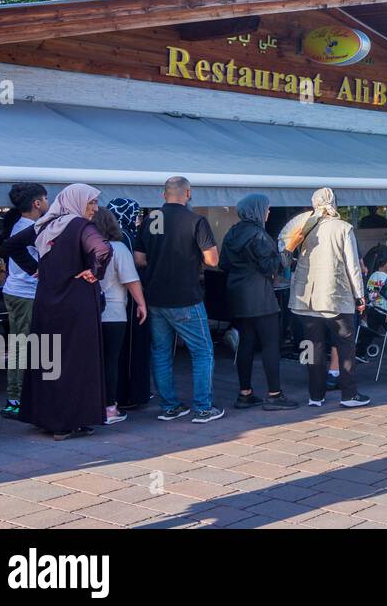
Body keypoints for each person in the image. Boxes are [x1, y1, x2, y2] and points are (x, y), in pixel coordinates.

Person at [9, 183, 111, 440]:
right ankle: (67, 423)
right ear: (77, 202)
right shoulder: (80, 227)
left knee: (47, 360)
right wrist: (94, 272)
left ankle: (45, 418)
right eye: (91, 203)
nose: (95, 209)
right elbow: (103, 249)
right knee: (74, 363)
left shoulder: (44, 225)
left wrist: (36, 267)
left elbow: (10, 246)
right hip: (76, 305)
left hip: (46, 303)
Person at [136, 176, 223, 424]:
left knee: (161, 352)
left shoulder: (152, 218)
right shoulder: (196, 221)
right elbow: (213, 260)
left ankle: (170, 407)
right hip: (185, 296)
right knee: (202, 351)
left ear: (163, 195)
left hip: (154, 296)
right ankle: (203, 408)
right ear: (188, 193)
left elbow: (139, 259)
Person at [288, 188, 369, 407]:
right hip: (336, 295)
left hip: (307, 298)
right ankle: (349, 394)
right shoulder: (343, 228)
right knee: (345, 344)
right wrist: (360, 296)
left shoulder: (302, 228)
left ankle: (315, 395)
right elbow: (353, 266)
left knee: (311, 346)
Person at [220, 194, 298, 410]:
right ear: (257, 210)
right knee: (271, 343)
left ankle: (244, 393)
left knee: (246, 343)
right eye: (267, 208)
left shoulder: (233, 232)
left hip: (237, 293)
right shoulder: (259, 235)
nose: (269, 212)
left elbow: (223, 263)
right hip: (260, 295)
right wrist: (286, 255)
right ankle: (274, 395)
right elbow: (271, 267)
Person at [0, 182, 49, 419]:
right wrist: (36, 270)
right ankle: (15, 399)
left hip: (18, 291)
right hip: (25, 293)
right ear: (37, 203)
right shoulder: (29, 228)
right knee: (21, 346)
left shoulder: (23, 225)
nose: (49, 203)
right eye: (46, 199)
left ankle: (20, 396)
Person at [93, 207, 148, 425]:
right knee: (110, 361)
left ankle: (91, 403)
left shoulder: (84, 246)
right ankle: (109, 408)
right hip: (114, 311)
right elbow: (130, 280)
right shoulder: (117, 248)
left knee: (92, 361)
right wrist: (141, 303)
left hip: (88, 311)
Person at [105, 197, 152, 410]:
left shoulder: (101, 236)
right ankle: (130, 394)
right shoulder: (126, 239)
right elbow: (132, 273)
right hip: (127, 304)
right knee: (130, 350)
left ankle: (116, 395)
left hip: (106, 303)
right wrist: (141, 301)